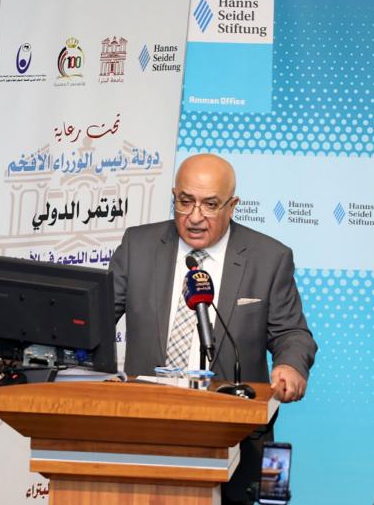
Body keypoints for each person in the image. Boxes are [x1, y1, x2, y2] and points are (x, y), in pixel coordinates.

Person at [110, 153, 317, 504]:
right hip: (146, 426)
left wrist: (290, 365)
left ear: (232, 206)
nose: (194, 217)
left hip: (234, 435)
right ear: (174, 197)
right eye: (185, 201)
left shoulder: (269, 258)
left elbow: (291, 333)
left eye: (209, 205)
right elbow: (96, 317)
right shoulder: (138, 246)